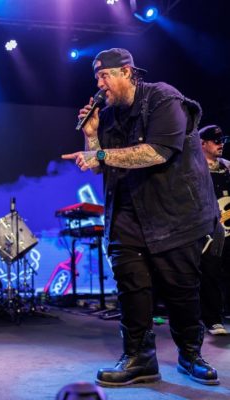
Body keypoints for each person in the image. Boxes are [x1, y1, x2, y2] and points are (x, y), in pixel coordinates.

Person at [62, 48, 223, 387]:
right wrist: (91, 133)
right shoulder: (108, 115)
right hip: (126, 215)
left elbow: (157, 152)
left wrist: (100, 154)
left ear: (126, 72)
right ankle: (139, 359)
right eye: (96, 78)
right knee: (131, 289)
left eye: (104, 76)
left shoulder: (163, 98)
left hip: (173, 215)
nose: (99, 84)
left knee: (181, 289)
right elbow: (97, 164)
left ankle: (190, 355)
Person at [199, 124, 230, 335]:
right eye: (216, 141)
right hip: (208, 230)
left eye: (222, 141)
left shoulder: (227, 166)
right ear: (202, 143)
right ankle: (212, 319)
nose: (221, 144)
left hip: (228, 228)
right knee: (210, 272)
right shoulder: (194, 167)